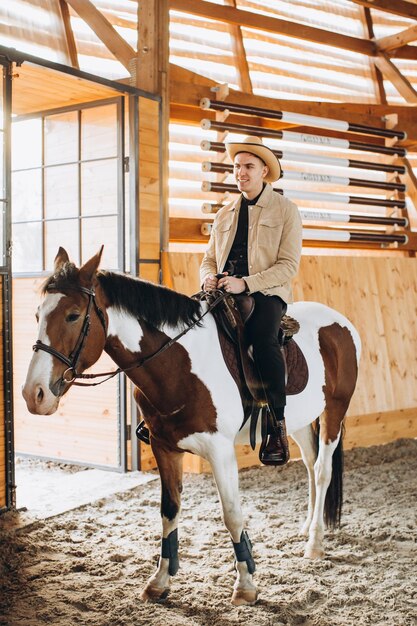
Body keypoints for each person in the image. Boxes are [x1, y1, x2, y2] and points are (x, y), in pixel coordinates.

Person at [200, 135, 302, 465]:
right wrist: (207, 276)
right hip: (221, 290)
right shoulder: (224, 213)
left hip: (266, 293)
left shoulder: (286, 211)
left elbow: (288, 266)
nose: (240, 172)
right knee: (186, 327)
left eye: (248, 167)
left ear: (263, 172)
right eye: (236, 167)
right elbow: (208, 259)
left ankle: (277, 426)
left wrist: (246, 283)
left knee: (262, 338)